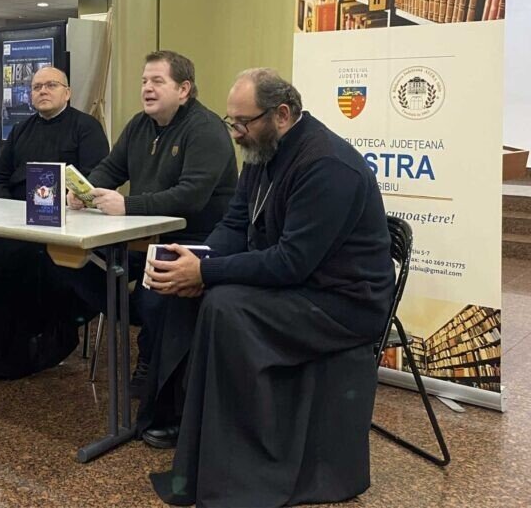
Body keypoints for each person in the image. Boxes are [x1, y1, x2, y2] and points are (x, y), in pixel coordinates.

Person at [145, 68, 396, 507]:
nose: (236, 133)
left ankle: (242, 468)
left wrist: (207, 273)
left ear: (281, 114)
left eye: (244, 122)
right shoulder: (263, 150)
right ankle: (180, 428)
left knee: (223, 305)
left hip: (344, 303)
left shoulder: (327, 166)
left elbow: (292, 261)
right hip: (303, 285)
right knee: (185, 291)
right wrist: (197, 261)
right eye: (232, 121)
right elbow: (235, 224)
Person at [67, 50, 238, 396]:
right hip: (139, 239)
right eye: (144, 81)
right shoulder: (139, 125)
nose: (147, 88)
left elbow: (190, 196)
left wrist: (127, 205)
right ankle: (147, 327)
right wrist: (84, 191)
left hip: (192, 239)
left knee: (154, 292)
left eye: (158, 81)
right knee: (73, 263)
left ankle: (152, 358)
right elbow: (111, 169)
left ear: (184, 89)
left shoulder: (206, 130)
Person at [0, 66, 109, 382]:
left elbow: (96, 180)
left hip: (63, 226)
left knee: (19, 255)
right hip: (16, 221)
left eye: (51, 85)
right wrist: (8, 210)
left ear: (67, 92)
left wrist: (73, 200)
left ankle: (24, 352)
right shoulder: (21, 130)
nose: (42, 91)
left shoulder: (86, 128)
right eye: (36, 87)